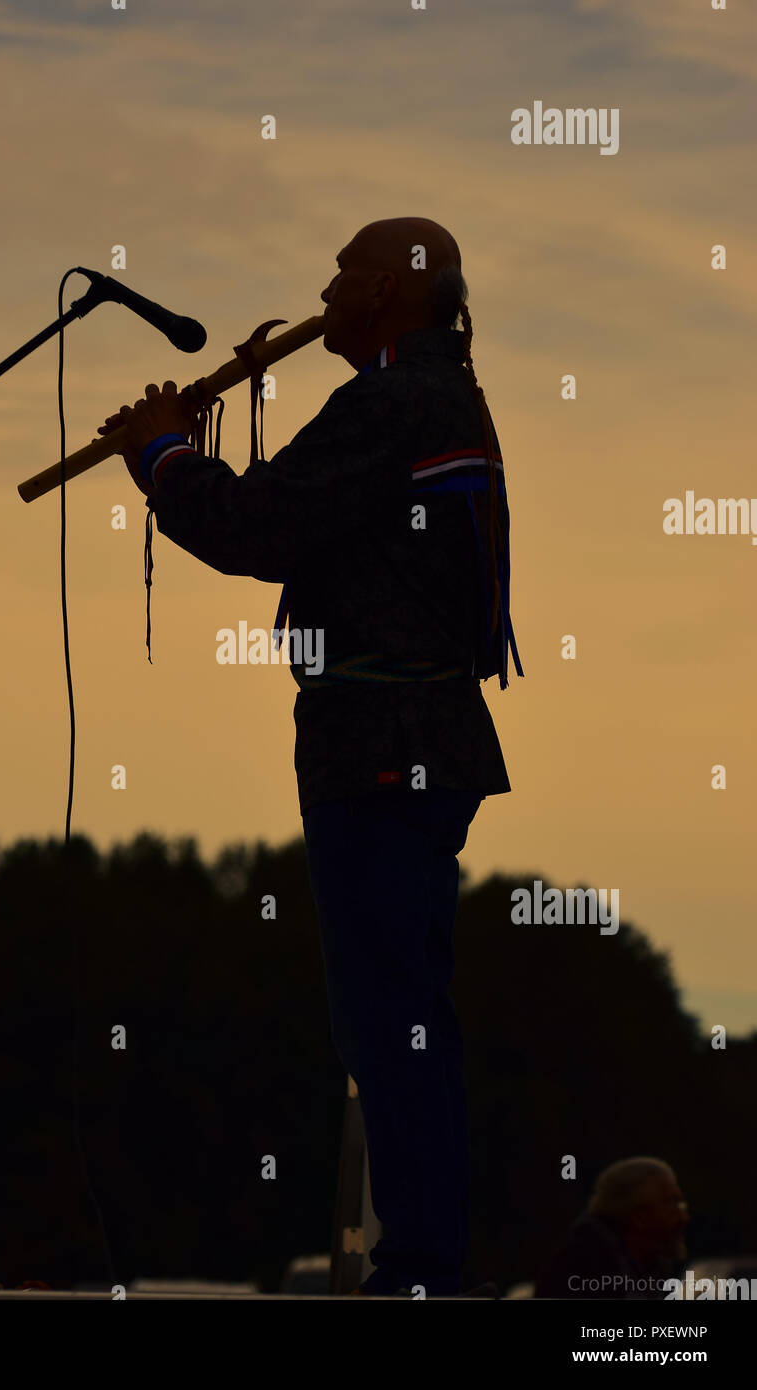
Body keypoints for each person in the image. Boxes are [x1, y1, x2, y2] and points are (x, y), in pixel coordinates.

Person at [102, 217, 523, 1296]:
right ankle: (421, 1252)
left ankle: (419, 1263)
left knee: (388, 1014)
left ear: (384, 288)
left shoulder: (392, 400)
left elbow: (259, 529)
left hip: (384, 745)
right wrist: (185, 451)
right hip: (411, 741)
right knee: (394, 1008)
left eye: (340, 275)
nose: (322, 294)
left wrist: (159, 452)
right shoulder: (427, 395)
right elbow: (318, 514)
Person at [534, 1157, 690, 1300]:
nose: (684, 1218)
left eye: (681, 1205)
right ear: (640, 1218)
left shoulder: (655, 1265)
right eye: (672, 1205)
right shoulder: (578, 1269)